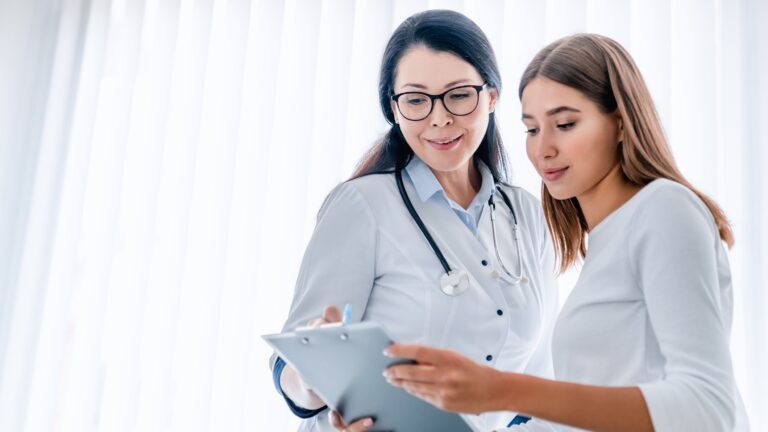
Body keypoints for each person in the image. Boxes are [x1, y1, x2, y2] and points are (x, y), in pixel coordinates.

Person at [384, 33, 749, 431]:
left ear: (622, 123)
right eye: (532, 129)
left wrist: (501, 390)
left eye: (565, 124)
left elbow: (706, 408)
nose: (543, 149)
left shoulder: (665, 210)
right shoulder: (608, 240)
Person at [269, 9, 559, 432]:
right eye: (417, 100)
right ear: (395, 108)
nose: (439, 118)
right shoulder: (362, 205)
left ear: (492, 96)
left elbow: (534, 387)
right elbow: (290, 366)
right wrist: (314, 375)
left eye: (459, 95)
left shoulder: (527, 217)